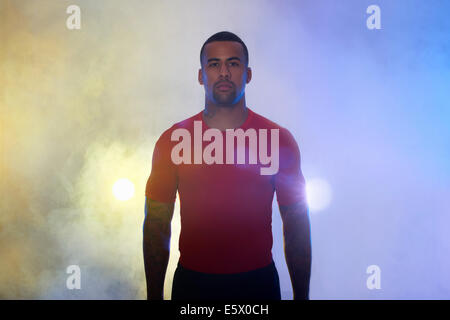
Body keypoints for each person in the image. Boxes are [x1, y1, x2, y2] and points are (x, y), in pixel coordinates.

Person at [143, 31, 311, 300]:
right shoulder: (173, 141)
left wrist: (302, 298)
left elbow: (297, 225)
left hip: (257, 285)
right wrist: (153, 297)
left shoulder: (278, 140)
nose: (224, 72)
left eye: (233, 63)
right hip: (193, 285)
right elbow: (156, 225)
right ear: (201, 75)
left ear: (248, 74)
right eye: (214, 64)